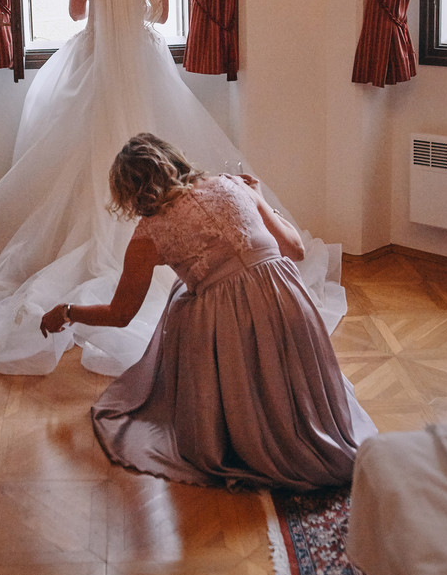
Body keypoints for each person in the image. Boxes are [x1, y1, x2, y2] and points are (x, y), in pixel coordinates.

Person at [0, 0, 347, 377]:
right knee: (156, 136)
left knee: (83, 157)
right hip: (142, 60)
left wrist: (103, 3)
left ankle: (93, 238)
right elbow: (159, 18)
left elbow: (77, 13)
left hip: (95, 63)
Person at [41, 134, 377, 490]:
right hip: (290, 304)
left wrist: (67, 312)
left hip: (233, 329)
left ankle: (244, 425)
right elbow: (294, 249)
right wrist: (258, 198)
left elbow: (121, 313)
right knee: (181, 295)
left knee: (184, 306)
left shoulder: (148, 235)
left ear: (130, 193)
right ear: (175, 160)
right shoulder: (233, 185)